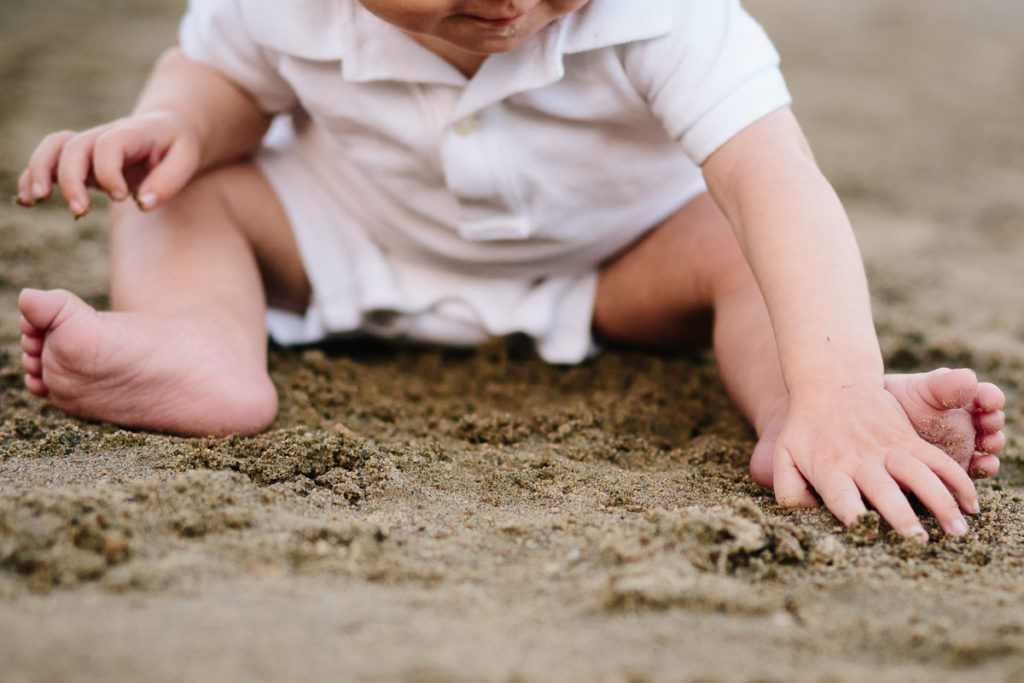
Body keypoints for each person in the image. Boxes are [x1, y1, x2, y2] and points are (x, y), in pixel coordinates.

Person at [14, 0, 1006, 542]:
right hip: (338, 240)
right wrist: (175, 123)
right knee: (178, 187)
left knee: (732, 240)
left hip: (610, 265)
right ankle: (199, 340)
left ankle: (809, 407)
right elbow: (222, 79)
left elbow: (773, 183)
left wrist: (836, 380)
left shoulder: (669, 17)